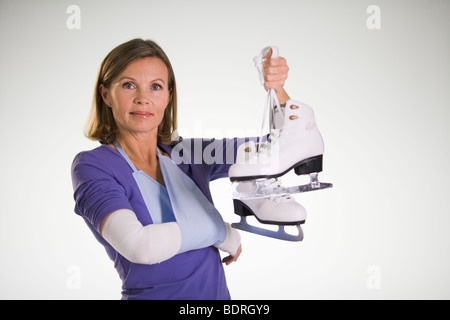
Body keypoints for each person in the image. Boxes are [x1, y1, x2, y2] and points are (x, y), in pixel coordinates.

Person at [71, 38, 290, 300]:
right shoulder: (94, 166)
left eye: (156, 87)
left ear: (168, 96)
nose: (143, 99)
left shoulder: (190, 154)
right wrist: (224, 233)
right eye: (129, 85)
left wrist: (277, 90)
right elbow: (141, 246)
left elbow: (281, 147)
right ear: (106, 94)